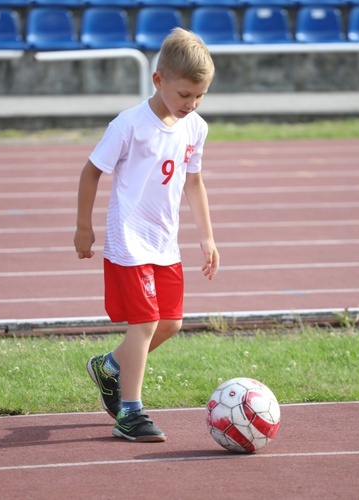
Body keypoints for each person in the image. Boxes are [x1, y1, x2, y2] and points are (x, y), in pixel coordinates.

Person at [73, 28, 220, 443]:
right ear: (158, 81)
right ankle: (130, 413)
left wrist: (206, 238)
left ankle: (109, 368)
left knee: (170, 323)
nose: (191, 104)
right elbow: (91, 171)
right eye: (185, 94)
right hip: (128, 240)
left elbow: (193, 182)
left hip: (163, 241)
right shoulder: (129, 124)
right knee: (145, 322)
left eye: (200, 96)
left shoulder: (195, 128)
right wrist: (84, 226)